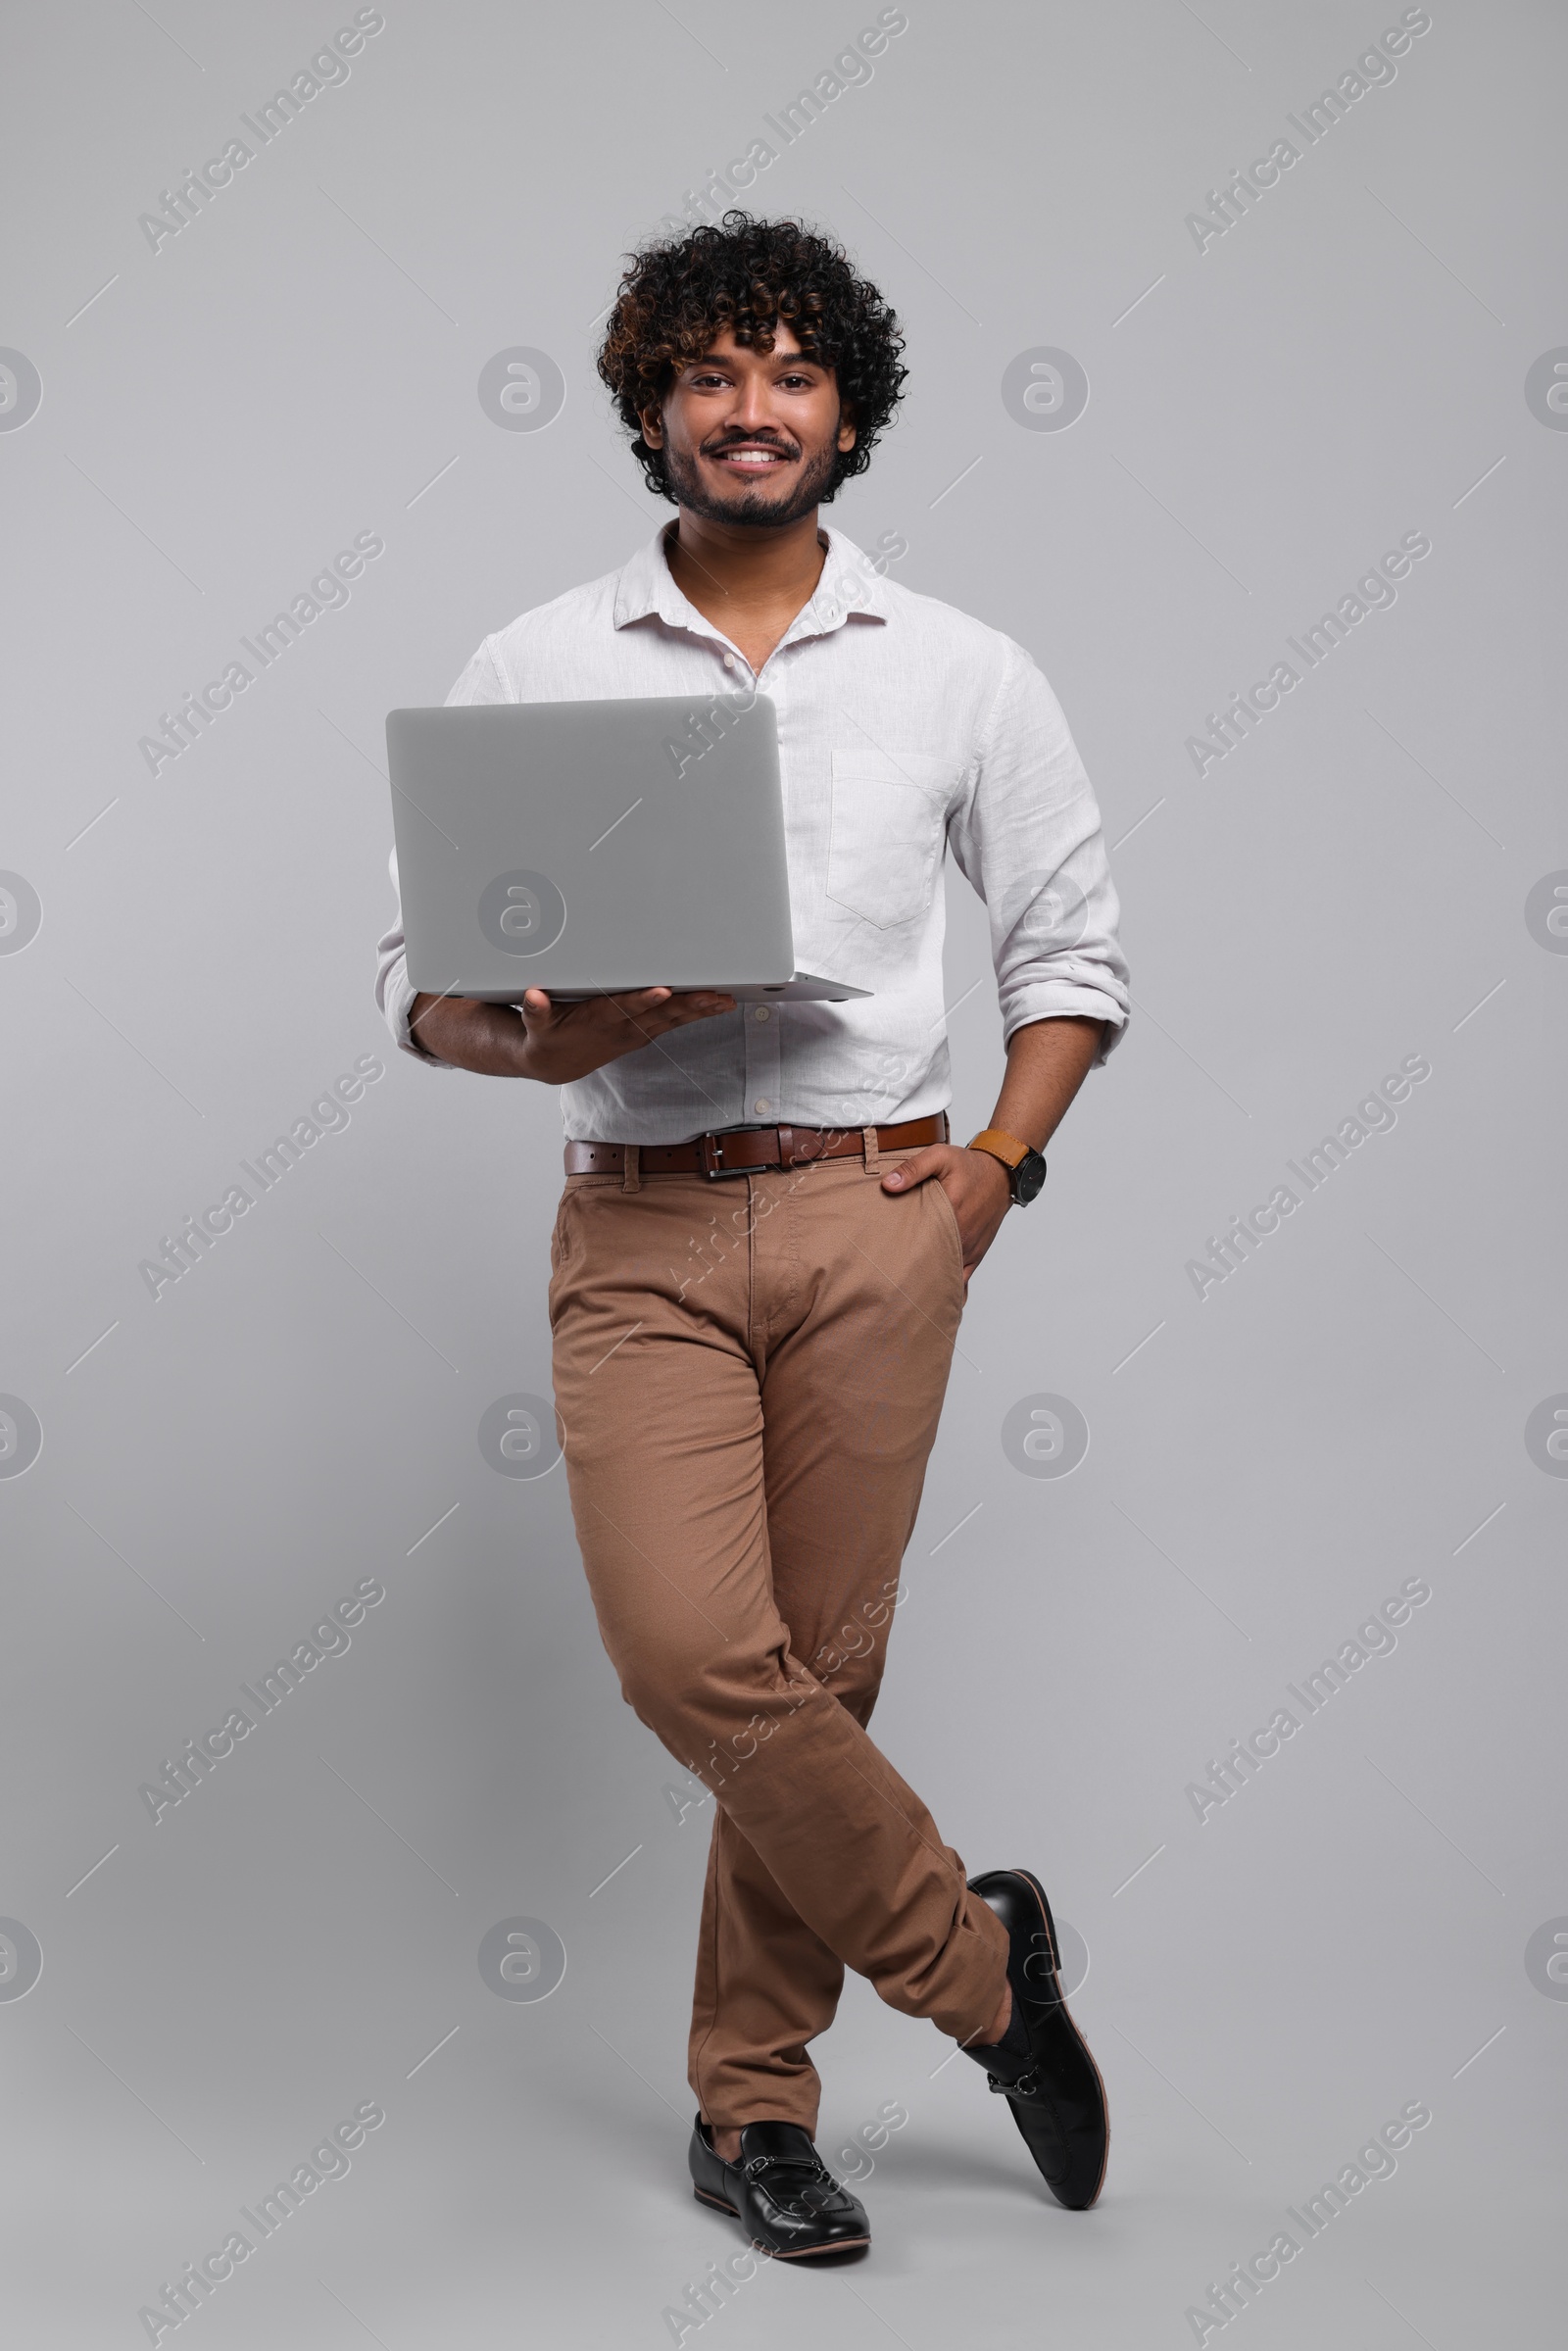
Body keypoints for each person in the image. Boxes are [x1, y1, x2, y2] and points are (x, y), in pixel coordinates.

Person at [375, 214, 1129, 2258]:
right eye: (708, 374)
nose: (749, 408)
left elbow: (1068, 958)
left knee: (827, 1677)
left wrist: (987, 1180)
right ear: (648, 410)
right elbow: (428, 991)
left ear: (845, 408)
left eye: (789, 372)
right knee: (703, 1660)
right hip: (639, 1223)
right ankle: (979, 1975)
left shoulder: (964, 669)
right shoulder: (534, 663)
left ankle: (749, 2111)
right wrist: (565, 1038)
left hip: (885, 1211)